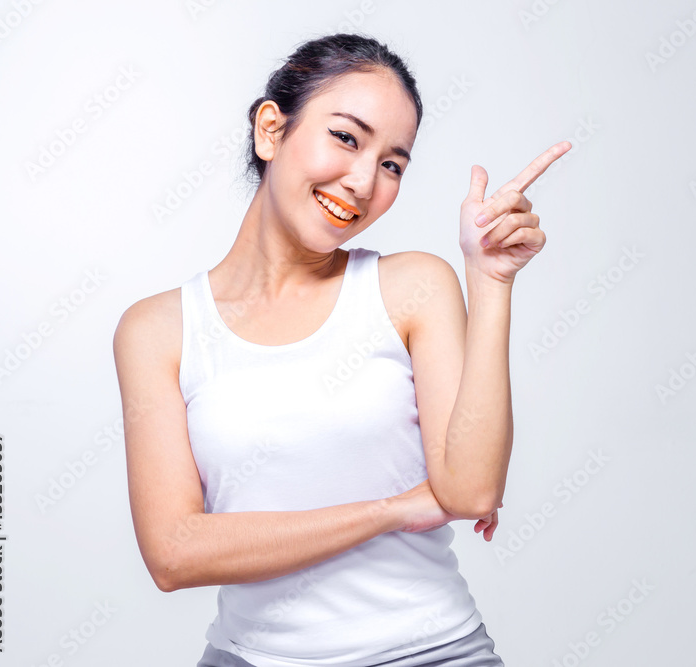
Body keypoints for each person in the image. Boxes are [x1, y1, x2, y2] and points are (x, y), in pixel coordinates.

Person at [112, 32, 570, 666]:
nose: (362, 181)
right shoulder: (158, 330)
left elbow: (470, 492)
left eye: (392, 164)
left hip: (433, 653)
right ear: (270, 130)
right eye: (347, 138)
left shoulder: (411, 287)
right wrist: (390, 509)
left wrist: (490, 282)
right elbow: (174, 553)